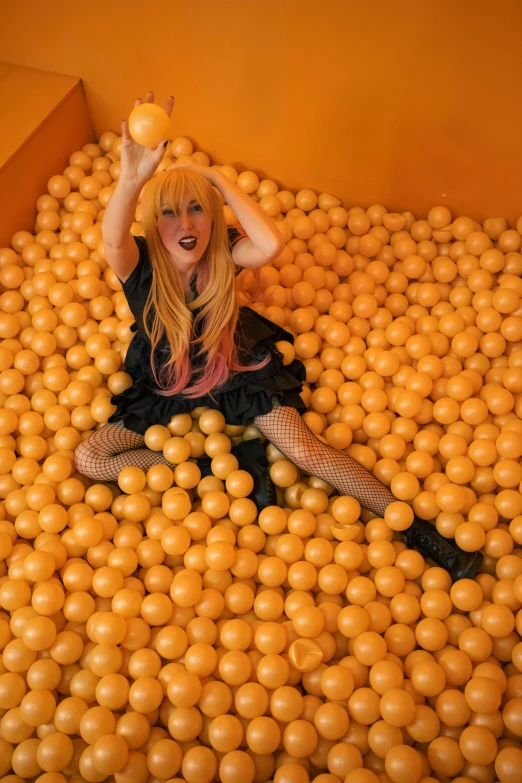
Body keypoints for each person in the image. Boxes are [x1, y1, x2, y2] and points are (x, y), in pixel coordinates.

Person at [74, 92, 481, 581]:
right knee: (91, 457)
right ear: (151, 223)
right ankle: (218, 469)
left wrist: (219, 181)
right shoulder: (139, 266)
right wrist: (132, 181)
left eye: (197, 210)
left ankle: (417, 528)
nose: (185, 225)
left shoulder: (222, 252)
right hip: (168, 377)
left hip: (233, 364)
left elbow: (270, 243)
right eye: (168, 213)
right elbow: (112, 238)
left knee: (304, 450)